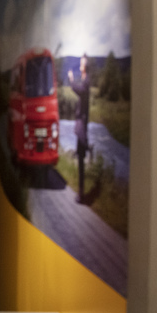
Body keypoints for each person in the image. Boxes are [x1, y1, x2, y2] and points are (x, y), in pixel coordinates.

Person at [67, 56, 91, 203]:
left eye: (81, 63)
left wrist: (71, 79)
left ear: (84, 66)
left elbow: (79, 90)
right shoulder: (85, 79)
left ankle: (81, 195)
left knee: (81, 157)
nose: (80, 65)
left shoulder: (86, 81)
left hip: (82, 125)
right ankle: (80, 193)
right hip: (81, 124)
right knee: (80, 156)